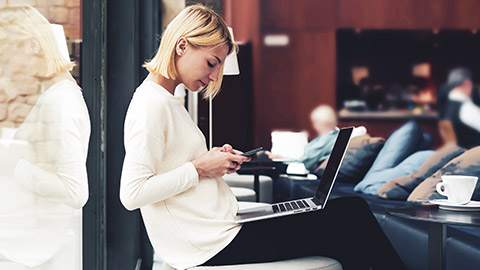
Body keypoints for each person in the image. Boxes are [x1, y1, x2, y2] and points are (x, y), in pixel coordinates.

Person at [120, 5, 405, 270]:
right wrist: (199, 168)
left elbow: (177, 164)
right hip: (209, 244)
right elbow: (132, 194)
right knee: (352, 213)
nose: (214, 76)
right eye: (212, 63)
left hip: (220, 228)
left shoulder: (168, 100)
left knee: (348, 235)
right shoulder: (151, 104)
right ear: (182, 46)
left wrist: (214, 160)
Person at [0, 5, 90, 269]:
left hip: (33, 254)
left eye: (6, 58)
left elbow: (74, 192)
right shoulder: (54, 97)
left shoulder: (62, 102)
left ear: (32, 45)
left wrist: (11, 163)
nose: (5, 69)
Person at [439, 68, 480, 149]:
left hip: (461, 156)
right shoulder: (466, 107)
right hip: (474, 156)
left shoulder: (447, 107)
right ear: (467, 83)